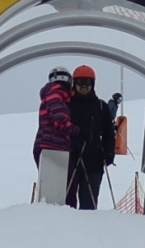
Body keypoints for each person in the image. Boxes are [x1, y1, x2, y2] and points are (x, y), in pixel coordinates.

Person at [64, 65, 114, 210]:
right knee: (66, 206)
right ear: (74, 83)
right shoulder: (67, 105)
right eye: (80, 82)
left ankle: (87, 226)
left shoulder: (101, 107)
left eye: (88, 82)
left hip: (94, 161)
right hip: (69, 160)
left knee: (89, 206)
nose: (84, 86)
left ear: (93, 84)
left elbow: (109, 133)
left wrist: (109, 153)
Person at [34, 67, 76, 205]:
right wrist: (76, 131)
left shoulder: (57, 95)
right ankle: (63, 214)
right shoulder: (55, 94)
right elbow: (59, 119)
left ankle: (60, 212)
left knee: (60, 187)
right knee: (62, 189)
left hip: (53, 146)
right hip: (52, 146)